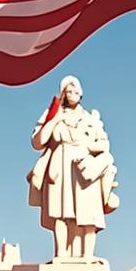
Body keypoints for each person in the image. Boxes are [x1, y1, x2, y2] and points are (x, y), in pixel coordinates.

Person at [27, 76, 119, 261]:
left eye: (76, 91)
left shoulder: (90, 118)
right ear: (63, 94)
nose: (72, 94)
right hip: (60, 165)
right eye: (68, 91)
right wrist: (54, 119)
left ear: (81, 93)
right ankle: (60, 254)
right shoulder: (53, 114)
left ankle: (87, 255)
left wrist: (87, 145)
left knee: (89, 213)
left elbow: (104, 144)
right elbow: (37, 142)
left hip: (85, 167)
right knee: (60, 212)